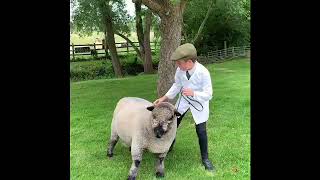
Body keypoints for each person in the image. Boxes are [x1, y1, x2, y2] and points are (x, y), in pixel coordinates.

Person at [153, 43, 215, 171]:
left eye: (179, 63)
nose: (177, 65)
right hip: (184, 101)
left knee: (201, 130)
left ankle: (205, 159)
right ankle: (168, 146)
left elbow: (208, 94)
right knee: (174, 123)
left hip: (200, 103)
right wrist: (164, 98)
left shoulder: (203, 73)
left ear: (189, 62)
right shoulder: (180, 70)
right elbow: (177, 85)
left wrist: (194, 93)